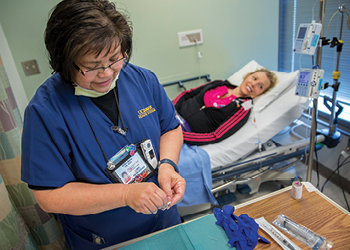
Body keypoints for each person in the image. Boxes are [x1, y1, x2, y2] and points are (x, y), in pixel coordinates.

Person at [21, 0, 186, 249]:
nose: (107, 73)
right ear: (65, 63)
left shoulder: (142, 80)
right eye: (92, 66)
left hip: (164, 221)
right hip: (105, 240)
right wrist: (125, 195)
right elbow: (49, 196)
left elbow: (170, 128)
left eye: (114, 58)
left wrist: (168, 165)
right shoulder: (46, 111)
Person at [173, 69, 277, 144]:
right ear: (247, 76)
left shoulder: (243, 108)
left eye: (260, 86)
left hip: (183, 134)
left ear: (261, 93)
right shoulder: (219, 83)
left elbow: (215, 136)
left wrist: (181, 136)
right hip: (171, 117)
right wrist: (170, 110)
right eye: (254, 78)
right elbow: (187, 94)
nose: (254, 84)